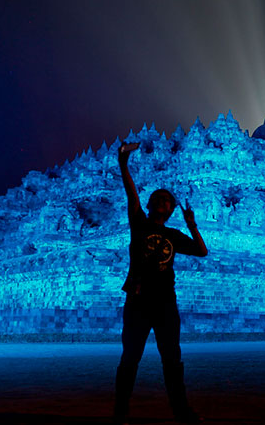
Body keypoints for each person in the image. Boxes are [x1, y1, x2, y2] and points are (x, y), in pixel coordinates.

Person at [113, 141, 208, 424]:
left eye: (167, 201)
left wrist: (191, 223)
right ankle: (120, 410)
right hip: (138, 299)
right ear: (152, 204)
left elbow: (202, 251)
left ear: (170, 209)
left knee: (172, 359)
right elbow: (131, 195)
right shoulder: (139, 224)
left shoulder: (175, 235)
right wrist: (123, 164)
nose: (162, 203)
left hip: (166, 302)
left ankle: (181, 410)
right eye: (158, 199)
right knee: (130, 356)